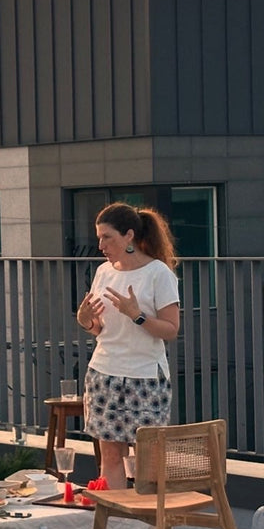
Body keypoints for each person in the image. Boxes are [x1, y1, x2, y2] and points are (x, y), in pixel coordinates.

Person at [76, 202, 180, 489]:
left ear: (129, 236)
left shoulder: (158, 273)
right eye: (98, 237)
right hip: (104, 372)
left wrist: (138, 315)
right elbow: (100, 330)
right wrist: (86, 320)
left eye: (107, 237)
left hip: (145, 375)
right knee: (109, 454)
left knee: (148, 459)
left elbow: (171, 330)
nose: (100, 245)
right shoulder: (103, 273)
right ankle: (118, 527)